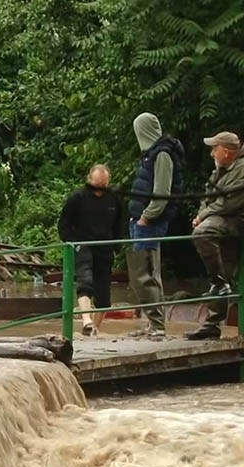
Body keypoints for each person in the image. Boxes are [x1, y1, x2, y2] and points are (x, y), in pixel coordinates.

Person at [186, 131, 244, 340]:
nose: (212, 153)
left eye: (215, 149)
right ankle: (212, 323)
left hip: (242, 219)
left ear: (227, 152)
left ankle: (219, 284)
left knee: (202, 233)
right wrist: (202, 212)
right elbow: (208, 195)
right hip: (225, 217)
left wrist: (203, 216)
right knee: (224, 268)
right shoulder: (221, 169)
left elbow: (232, 201)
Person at [127, 112, 184, 338]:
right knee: (141, 273)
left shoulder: (162, 155)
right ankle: (152, 323)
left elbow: (162, 193)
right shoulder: (151, 154)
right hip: (140, 221)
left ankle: (158, 326)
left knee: (147, 272)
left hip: (149, 222)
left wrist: (146, 216)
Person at [57, 164, 123, 336]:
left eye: (103, 185)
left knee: (103, 295)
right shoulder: (77, 198)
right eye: (97, 185)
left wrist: (118, 245)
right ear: (89, 180)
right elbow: (64, 224)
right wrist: (71, 242)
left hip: (105, 247)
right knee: (85, 282)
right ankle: (86, 319)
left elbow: (120, 223)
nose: (100, 189)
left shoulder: (114, 198)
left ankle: (93, 329)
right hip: (82, 244)